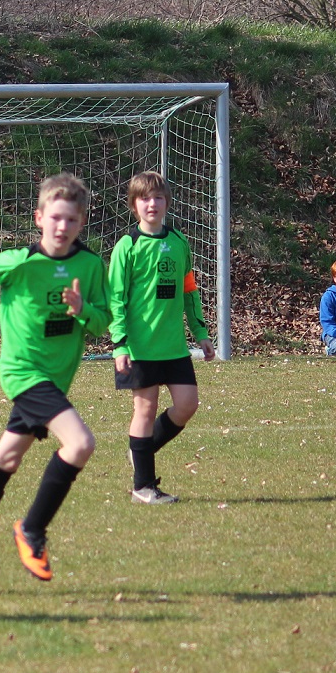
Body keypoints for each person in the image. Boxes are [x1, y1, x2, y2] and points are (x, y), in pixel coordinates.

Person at [0, 173, 108, 594]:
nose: (61, 227)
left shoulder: (89, 266)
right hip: (23, 373)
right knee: (80, 444)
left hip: (56, 378)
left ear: (82, 222)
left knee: (7, 458)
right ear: (39, 217)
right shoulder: (20, 262)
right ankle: (32, 531)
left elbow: (104, 323)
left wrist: (81, 308)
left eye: (71, 220)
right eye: (54, 218)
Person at [107, 171, 214, 505]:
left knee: (187, 405)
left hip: (173, 347)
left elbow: (189, 291)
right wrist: (120, 343)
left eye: (158, 197)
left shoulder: (179, 243)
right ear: (134, 205)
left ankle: (140, 452)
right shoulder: (128, 245)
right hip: (140, 347)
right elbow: (115, 299)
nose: (151, 204)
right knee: (145, 407)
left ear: (167, 201)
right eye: (144, 198)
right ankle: (143, 486)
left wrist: (201, 333)